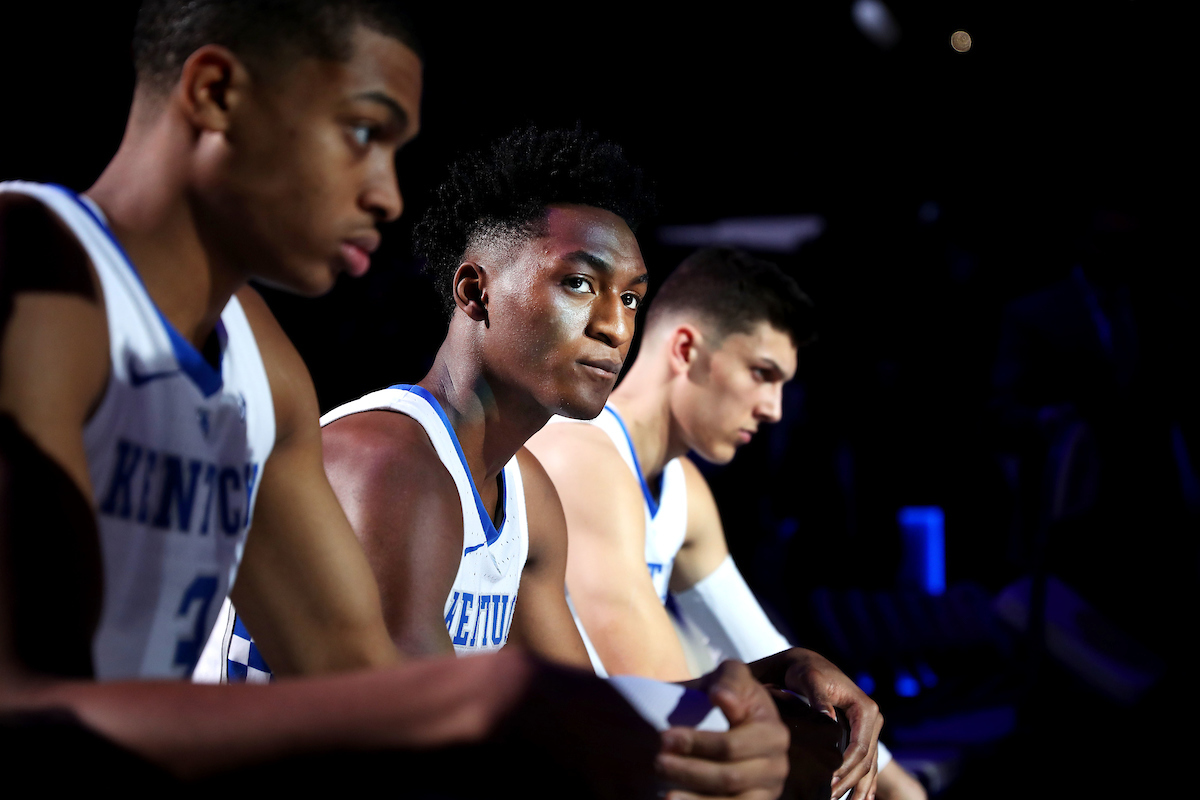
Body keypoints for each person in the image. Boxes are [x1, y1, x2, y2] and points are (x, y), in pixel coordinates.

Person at [0, 3, 787, 795]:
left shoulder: (265, 369)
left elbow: (356, 681)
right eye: (362, 132)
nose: (385, 195)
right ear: (215, 93)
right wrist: (488, 699)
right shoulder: (31, 266)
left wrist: (727, 706)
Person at [527, 247, 926, 800]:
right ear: (686, 350)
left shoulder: (683, 486)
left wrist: (903, 788)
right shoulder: (580, 453)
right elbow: (677, 710)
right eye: (762, 374)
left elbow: (754, 639)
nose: (774, 408)